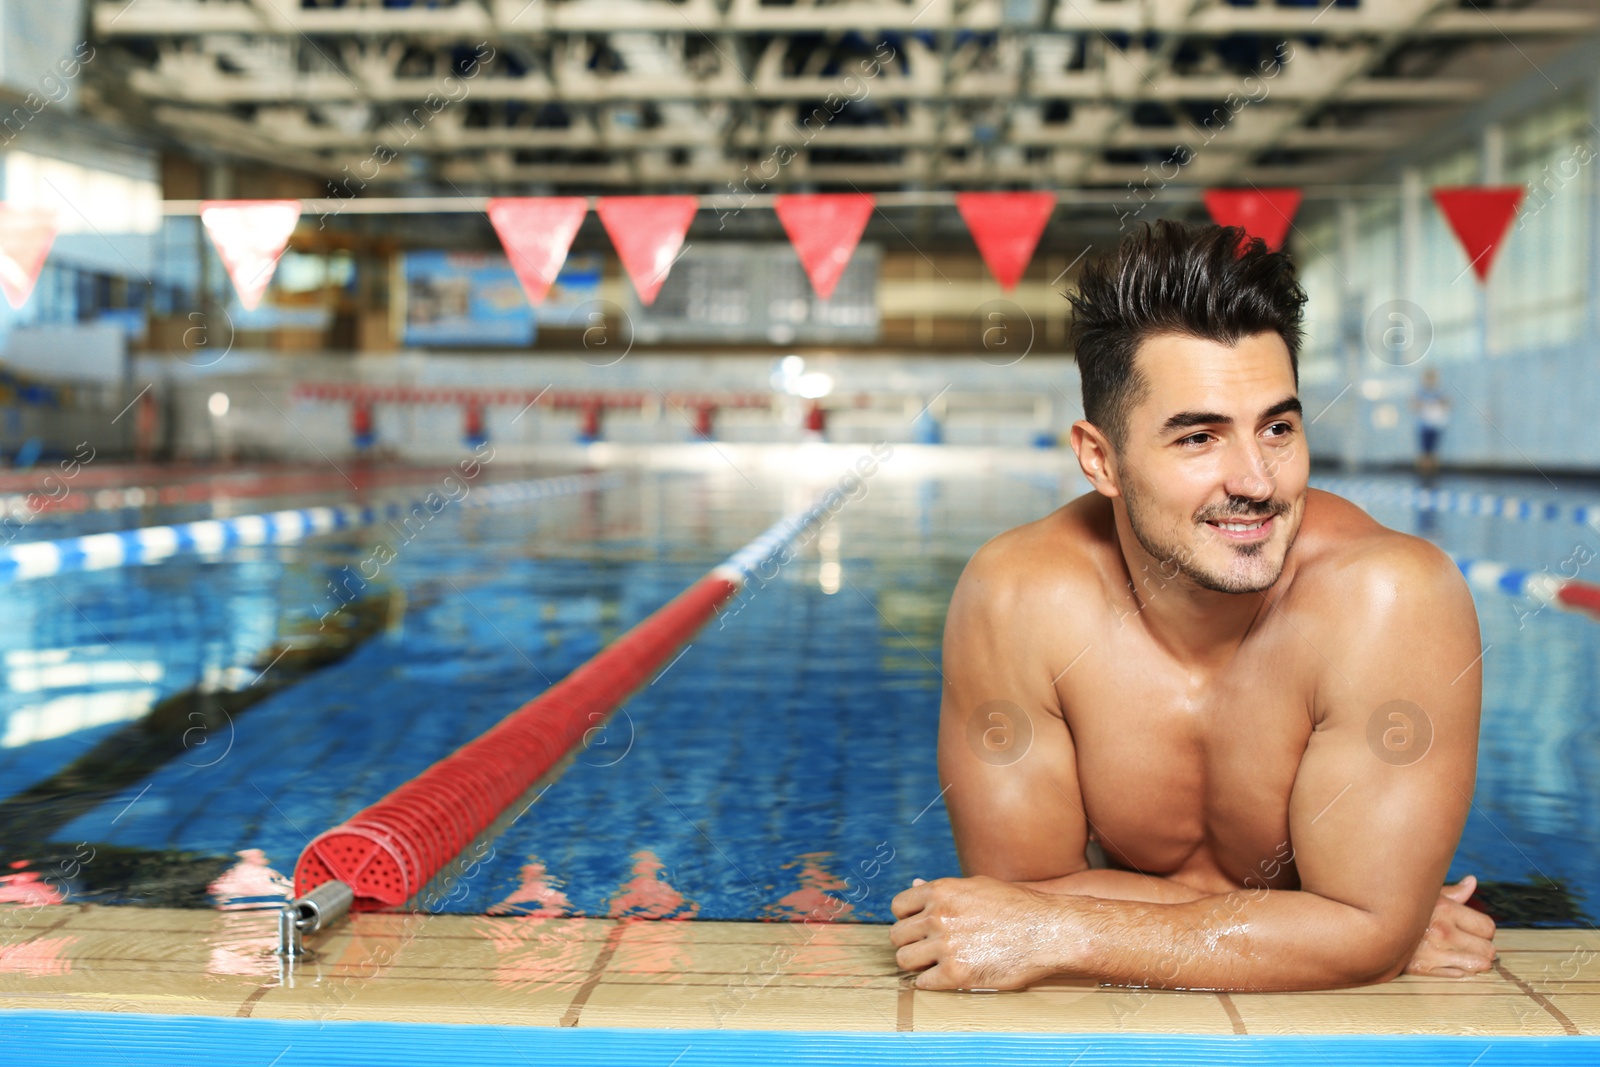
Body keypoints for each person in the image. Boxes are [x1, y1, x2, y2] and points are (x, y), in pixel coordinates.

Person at [890, 221, 1495, 993]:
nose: (1256, 478)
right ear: (1099, 458)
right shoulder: (1018, 595)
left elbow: (1028, 919)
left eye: (1278, 427)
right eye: (1199, 437)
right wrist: (1325, 926)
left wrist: (1065, 926)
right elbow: (1008, 899)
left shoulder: (1390, 597)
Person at [1413, 367, 1450, 480]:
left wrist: (1438, 403)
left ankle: (1433, 475)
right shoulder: (1421, 392)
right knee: (1424, 453)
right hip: (1423, 426)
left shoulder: (1438, 392)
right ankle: (1423, 475)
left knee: (1433, 452)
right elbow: (1413, 405)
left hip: (1435, 426)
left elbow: (1447, 403)